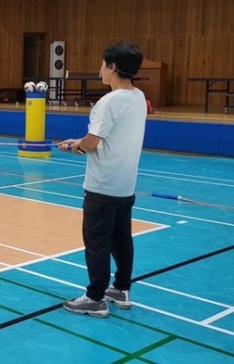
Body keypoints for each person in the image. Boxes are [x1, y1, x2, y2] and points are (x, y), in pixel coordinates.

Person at [58, 43, 147, 318]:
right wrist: (80, 141)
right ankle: (121, 288)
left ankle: (95, 298)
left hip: (102, 186)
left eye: (102, 64)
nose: (100, 69)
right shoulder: (139, 97)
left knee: (97, 242)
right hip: (125, 186)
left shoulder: (108, 102)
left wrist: (76, 146)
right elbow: (108, 137)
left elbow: (92, 143)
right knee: (122, 239)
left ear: (112, 67)